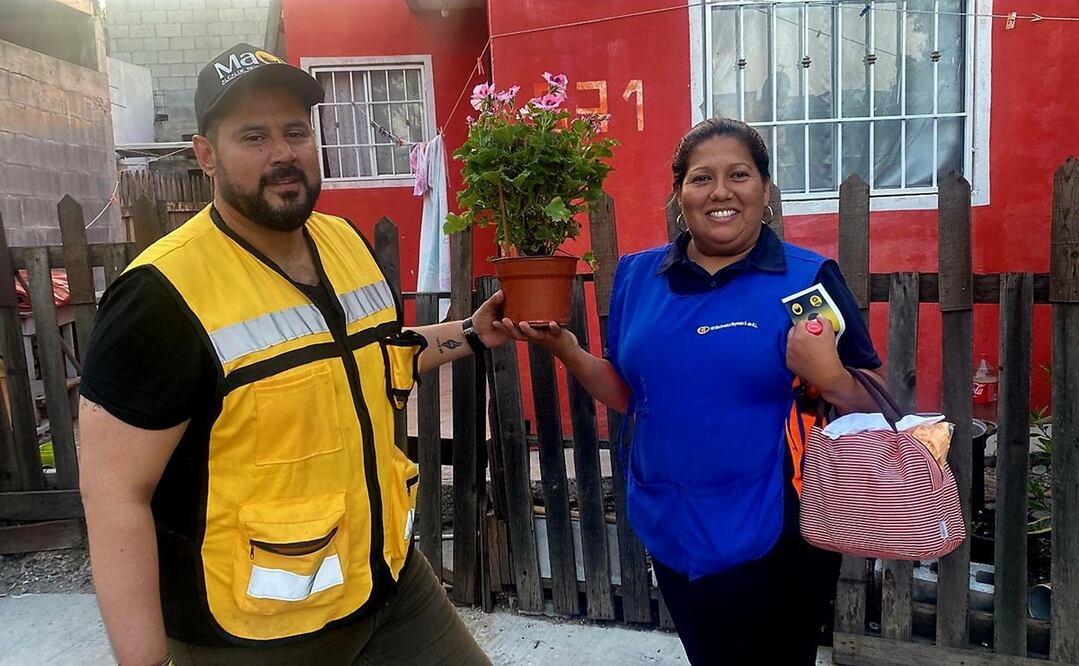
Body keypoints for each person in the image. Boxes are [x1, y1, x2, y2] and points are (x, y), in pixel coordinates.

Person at [78, 43, 505, 666]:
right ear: (206, 156)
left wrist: (467, 332)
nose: (283, 153)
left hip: (384, 582)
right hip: (250, 630)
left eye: (296, 131)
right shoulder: (160, 297)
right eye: (253, 136)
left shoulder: (346, 244)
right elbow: (115, 496)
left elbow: (372, 360)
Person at [497, 117, 884, 665]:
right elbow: (633, 395)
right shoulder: (637, 278)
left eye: (739, 175)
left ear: (765, 190)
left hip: (777, 530)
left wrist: (833, 377)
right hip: (670, 518)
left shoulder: (806, 279)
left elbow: (876, 400)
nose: (721, 192)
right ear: (680, 194)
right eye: (701, 178)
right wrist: (569, 351)